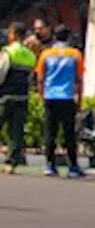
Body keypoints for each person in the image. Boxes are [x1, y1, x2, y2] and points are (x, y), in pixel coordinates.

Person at [35, 24, 84, 178]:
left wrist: (41, 94)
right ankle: (73, 167)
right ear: (69, 38)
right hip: (68, 97)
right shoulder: (75, 54)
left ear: (54, 37)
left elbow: (40, 78)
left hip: (50, 96)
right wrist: (80, 98)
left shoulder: (46, 53)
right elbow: (79, 79)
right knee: (69, 133)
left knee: (50, 132)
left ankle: (50, 165)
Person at [0, 22, 36, 175]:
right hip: (22, 97)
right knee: (16, 131)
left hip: (5, 96)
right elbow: (31, 77)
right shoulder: (30, 55)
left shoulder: (8, 52)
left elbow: (1, 73)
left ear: (13, 34)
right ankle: (11, 164)